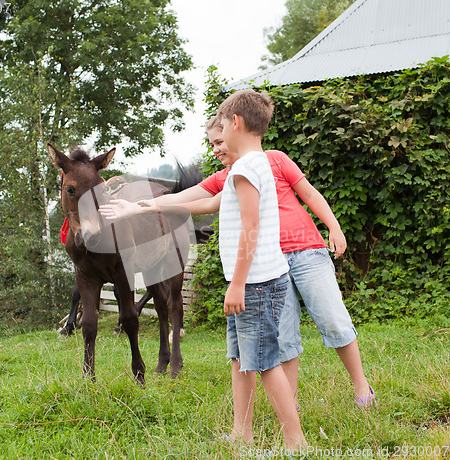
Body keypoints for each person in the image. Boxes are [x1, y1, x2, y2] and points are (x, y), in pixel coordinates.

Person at [104, 115, 376, 410]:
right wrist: (137, 208)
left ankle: (362, 388)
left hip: (306, 250)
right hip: (271, 263)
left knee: (334, 321)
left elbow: (308, 192)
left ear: (236, 130)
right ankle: (291, 404)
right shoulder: (226, 177)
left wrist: (333, 227)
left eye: (219, 142)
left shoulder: (274, 159)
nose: (215, 149)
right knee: (283, 337)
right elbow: (188, 199)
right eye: (211, 144)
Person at [101, 89, 307, 449]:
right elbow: (208, 202)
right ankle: (240, 432)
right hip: (255, 280)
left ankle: (295, 441)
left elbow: (251, 229)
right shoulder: (253, 164)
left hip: (254, 284)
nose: (220, 135)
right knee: (241, 359)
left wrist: (238, 284)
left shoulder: (243, 169)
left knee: (266, 364)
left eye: (222, 125)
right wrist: (139, 208)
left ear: (236, 123)